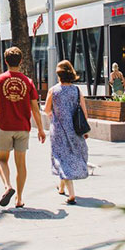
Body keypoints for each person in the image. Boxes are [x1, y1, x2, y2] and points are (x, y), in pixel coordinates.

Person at [0, 47, 46, 208]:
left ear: (5, 61)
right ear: (21, 61)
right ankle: (19, 198)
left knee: (1, 159)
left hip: (4, 126)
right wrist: (41, 129)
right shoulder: (28, 82)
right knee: (21, 164)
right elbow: (35, 108)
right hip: (23, 127)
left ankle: (8, 186)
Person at [43, 60, 89, 205]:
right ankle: (61, 188)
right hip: (75, 130)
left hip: (58, 130)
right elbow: (84, 110)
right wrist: (85, 129)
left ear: (59, 75)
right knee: (70, 156)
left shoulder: (54, 90)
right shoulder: (76, 90)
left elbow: (46, 109)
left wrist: (54, 114)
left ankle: (72, 195)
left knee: (62, 158)